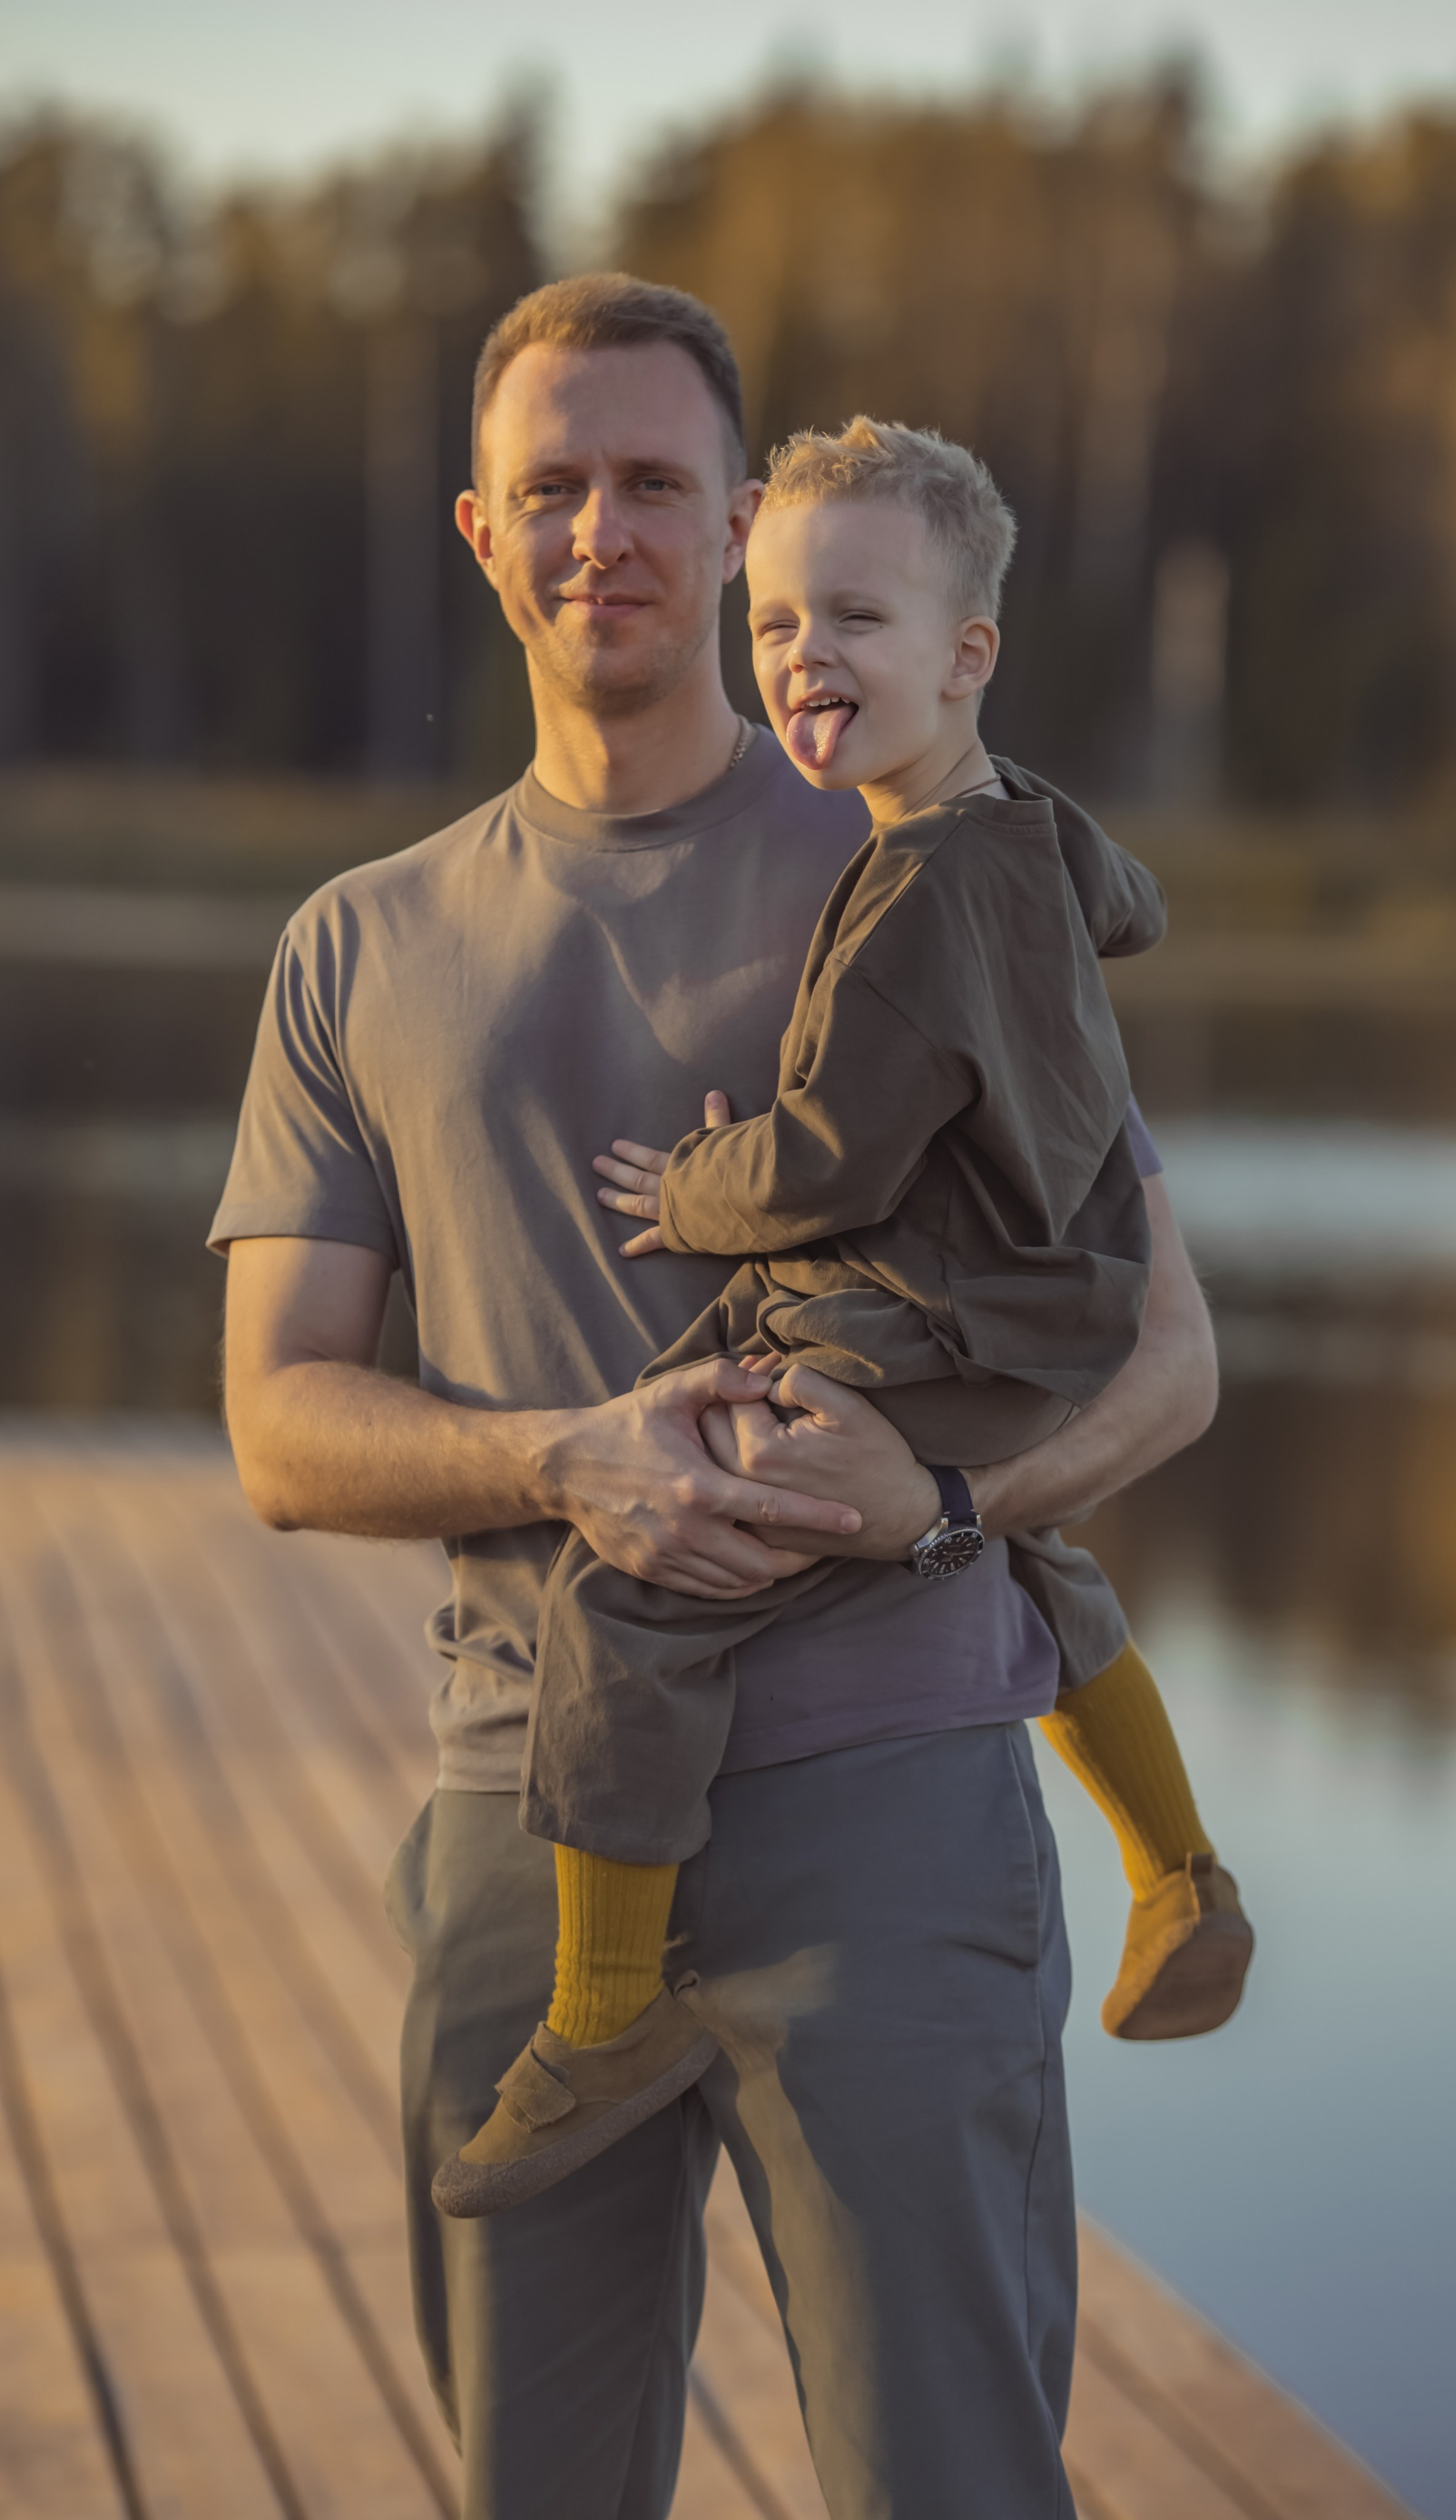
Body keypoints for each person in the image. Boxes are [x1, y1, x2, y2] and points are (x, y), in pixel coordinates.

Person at [214, 272, 1222, 2520]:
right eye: (553, 488)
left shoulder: (920, 853)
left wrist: (935, 1515)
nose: (606, 532)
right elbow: (280, 1425)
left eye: (657, 481)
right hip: (529, 1816)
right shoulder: (357, 947)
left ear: (740, 510)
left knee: (946, 2487)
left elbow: (1165, 1349)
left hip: (887, 1820)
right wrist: (560, 1462)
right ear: (482, 529)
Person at [435, 417, 1253, 2220]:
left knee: (641, 1565)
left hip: (939, 1302)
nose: (807, 661)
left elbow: (824, 1159)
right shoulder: (1029, 826)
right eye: (783, 624)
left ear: (967, 655)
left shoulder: (909, 897)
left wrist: (694, 1189)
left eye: (858, 625)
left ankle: (601, 2010)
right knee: (1022, 1543)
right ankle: (1181, 1867)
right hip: (1060, 1294)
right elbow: (1141, 905)